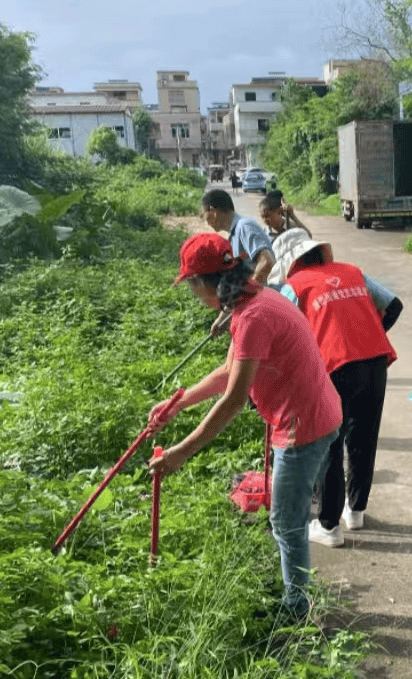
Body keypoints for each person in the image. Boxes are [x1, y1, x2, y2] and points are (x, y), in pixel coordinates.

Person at [147, 233, 341, 617]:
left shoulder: (253, 316)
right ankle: (294, 593)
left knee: (286, 521)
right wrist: (178, 404)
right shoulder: (254, 301)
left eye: (193, 287)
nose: (195, 296)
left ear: (210, 285)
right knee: (286, 516)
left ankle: (296, 611)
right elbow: (227, 372)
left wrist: (179, 453)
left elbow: (234, 400)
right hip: (307, 415)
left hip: (303, 427)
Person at [269, 228, 397, 547]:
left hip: (336, 367)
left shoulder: (295, 286)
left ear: (292, 263)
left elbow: (277, 332)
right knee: (363, 437)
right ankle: (355, 512)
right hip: (374, 359)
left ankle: (328, 526)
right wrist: (364, 333)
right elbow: (393, 305)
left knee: (328, 443)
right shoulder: (352, 272)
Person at [200, 188, 275, 286]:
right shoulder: (235, 232)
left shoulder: (244, 226)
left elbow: (267, 261)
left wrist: (249, 293)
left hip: (260, 298)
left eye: (203, 215)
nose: (205, 221)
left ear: (212, 212)